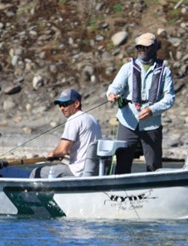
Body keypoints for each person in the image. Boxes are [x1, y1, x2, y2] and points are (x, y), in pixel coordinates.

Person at [106, 32, 175, 174]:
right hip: (128, 121)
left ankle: (154, 191)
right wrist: (112, 94)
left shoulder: (165, 71)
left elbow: (169, 98)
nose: (142, 50)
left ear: (154, 48)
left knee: (154, 165)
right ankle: (120, 191)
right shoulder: (127, 68)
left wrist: (152, 110)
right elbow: (114, 87)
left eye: (146, 47)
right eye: (139, 47)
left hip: (152, 124)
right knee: (122, 163)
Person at [31, 88, 102, 178]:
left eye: (65, 104)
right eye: (60, 105)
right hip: (94, 171)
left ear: (76, 104)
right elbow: (82, 147)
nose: (61, 108)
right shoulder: (92, 119)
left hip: (78, 172)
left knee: (35, 172)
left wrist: (53, 154)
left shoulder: (73, 119)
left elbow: (62, 150)